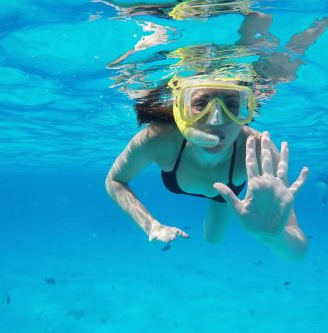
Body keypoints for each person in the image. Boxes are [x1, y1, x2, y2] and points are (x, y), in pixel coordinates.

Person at [105, 72, 310, 261]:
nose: (216, 120)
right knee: (213, 239)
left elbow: (298, 253)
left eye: (231, 106)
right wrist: (151, 226)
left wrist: (274, 237)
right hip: (215, 180)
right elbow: (114, 180)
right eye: (201, 104)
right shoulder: (158, 138)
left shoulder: (258, 150)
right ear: (181, 108)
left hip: (224, 195)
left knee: (213, 239)